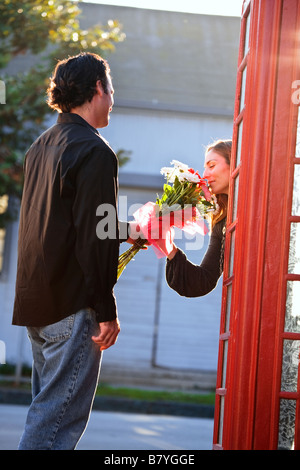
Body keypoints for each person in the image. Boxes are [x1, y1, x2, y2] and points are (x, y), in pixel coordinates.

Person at [12, 52, 139, 450]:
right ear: (98, 89)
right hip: (72, 308)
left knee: (45, 412)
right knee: (54, 428)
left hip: (37, 306)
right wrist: (106, 310)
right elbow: (94, 238)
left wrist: (132, 229)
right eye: (111, 89)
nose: (113, 99)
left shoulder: (40, 147)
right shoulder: (96, 151)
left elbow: (65, 225)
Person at [165, 139, 231, 296]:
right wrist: (168, 248)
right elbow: (203, 281)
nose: (205, 175)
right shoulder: (222, 223)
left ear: (233, 163)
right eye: (205, 168)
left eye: (212, 165)